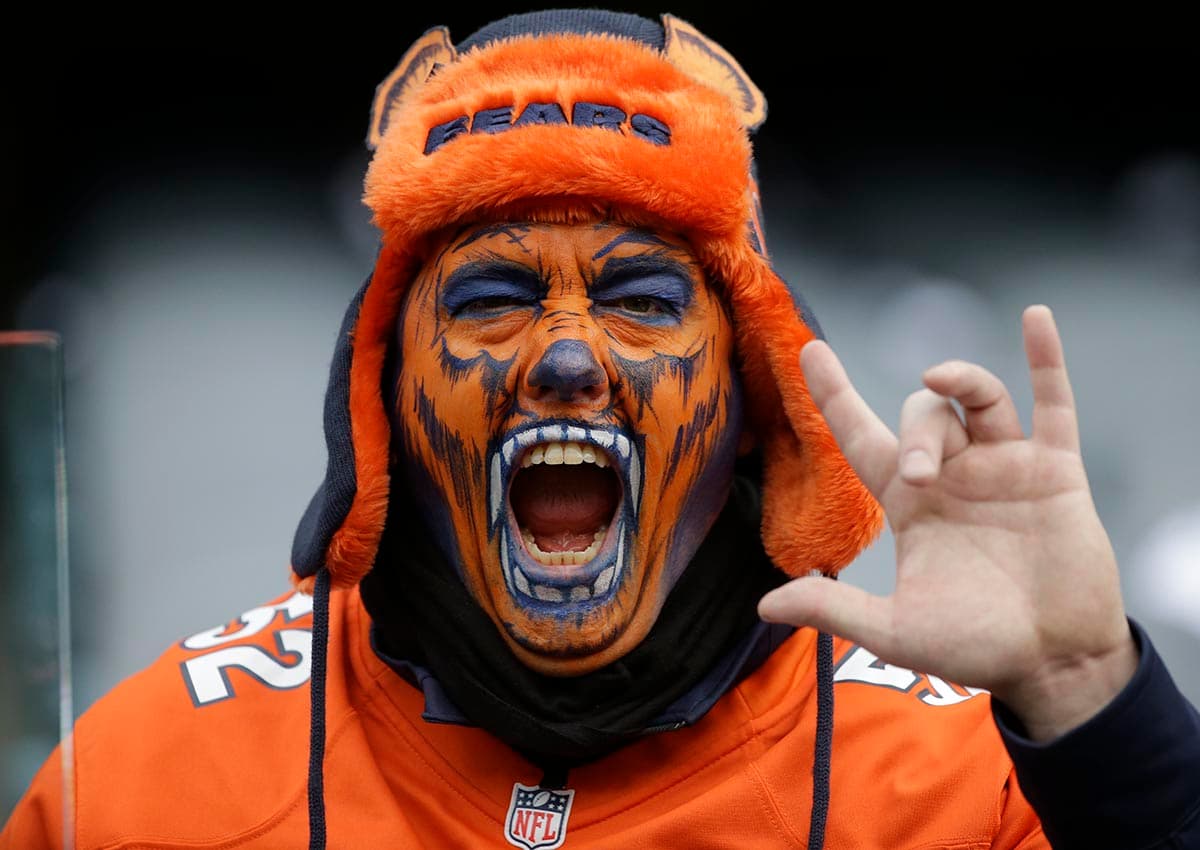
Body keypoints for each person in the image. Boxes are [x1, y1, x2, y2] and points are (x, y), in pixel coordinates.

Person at [4, 9, 1199, 849]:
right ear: (384, 403)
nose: (568, 359)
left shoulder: (975, 780)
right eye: (490, 298)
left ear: (748, 406)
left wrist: (1086, 692)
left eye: (638, 299)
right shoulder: (147, 781)